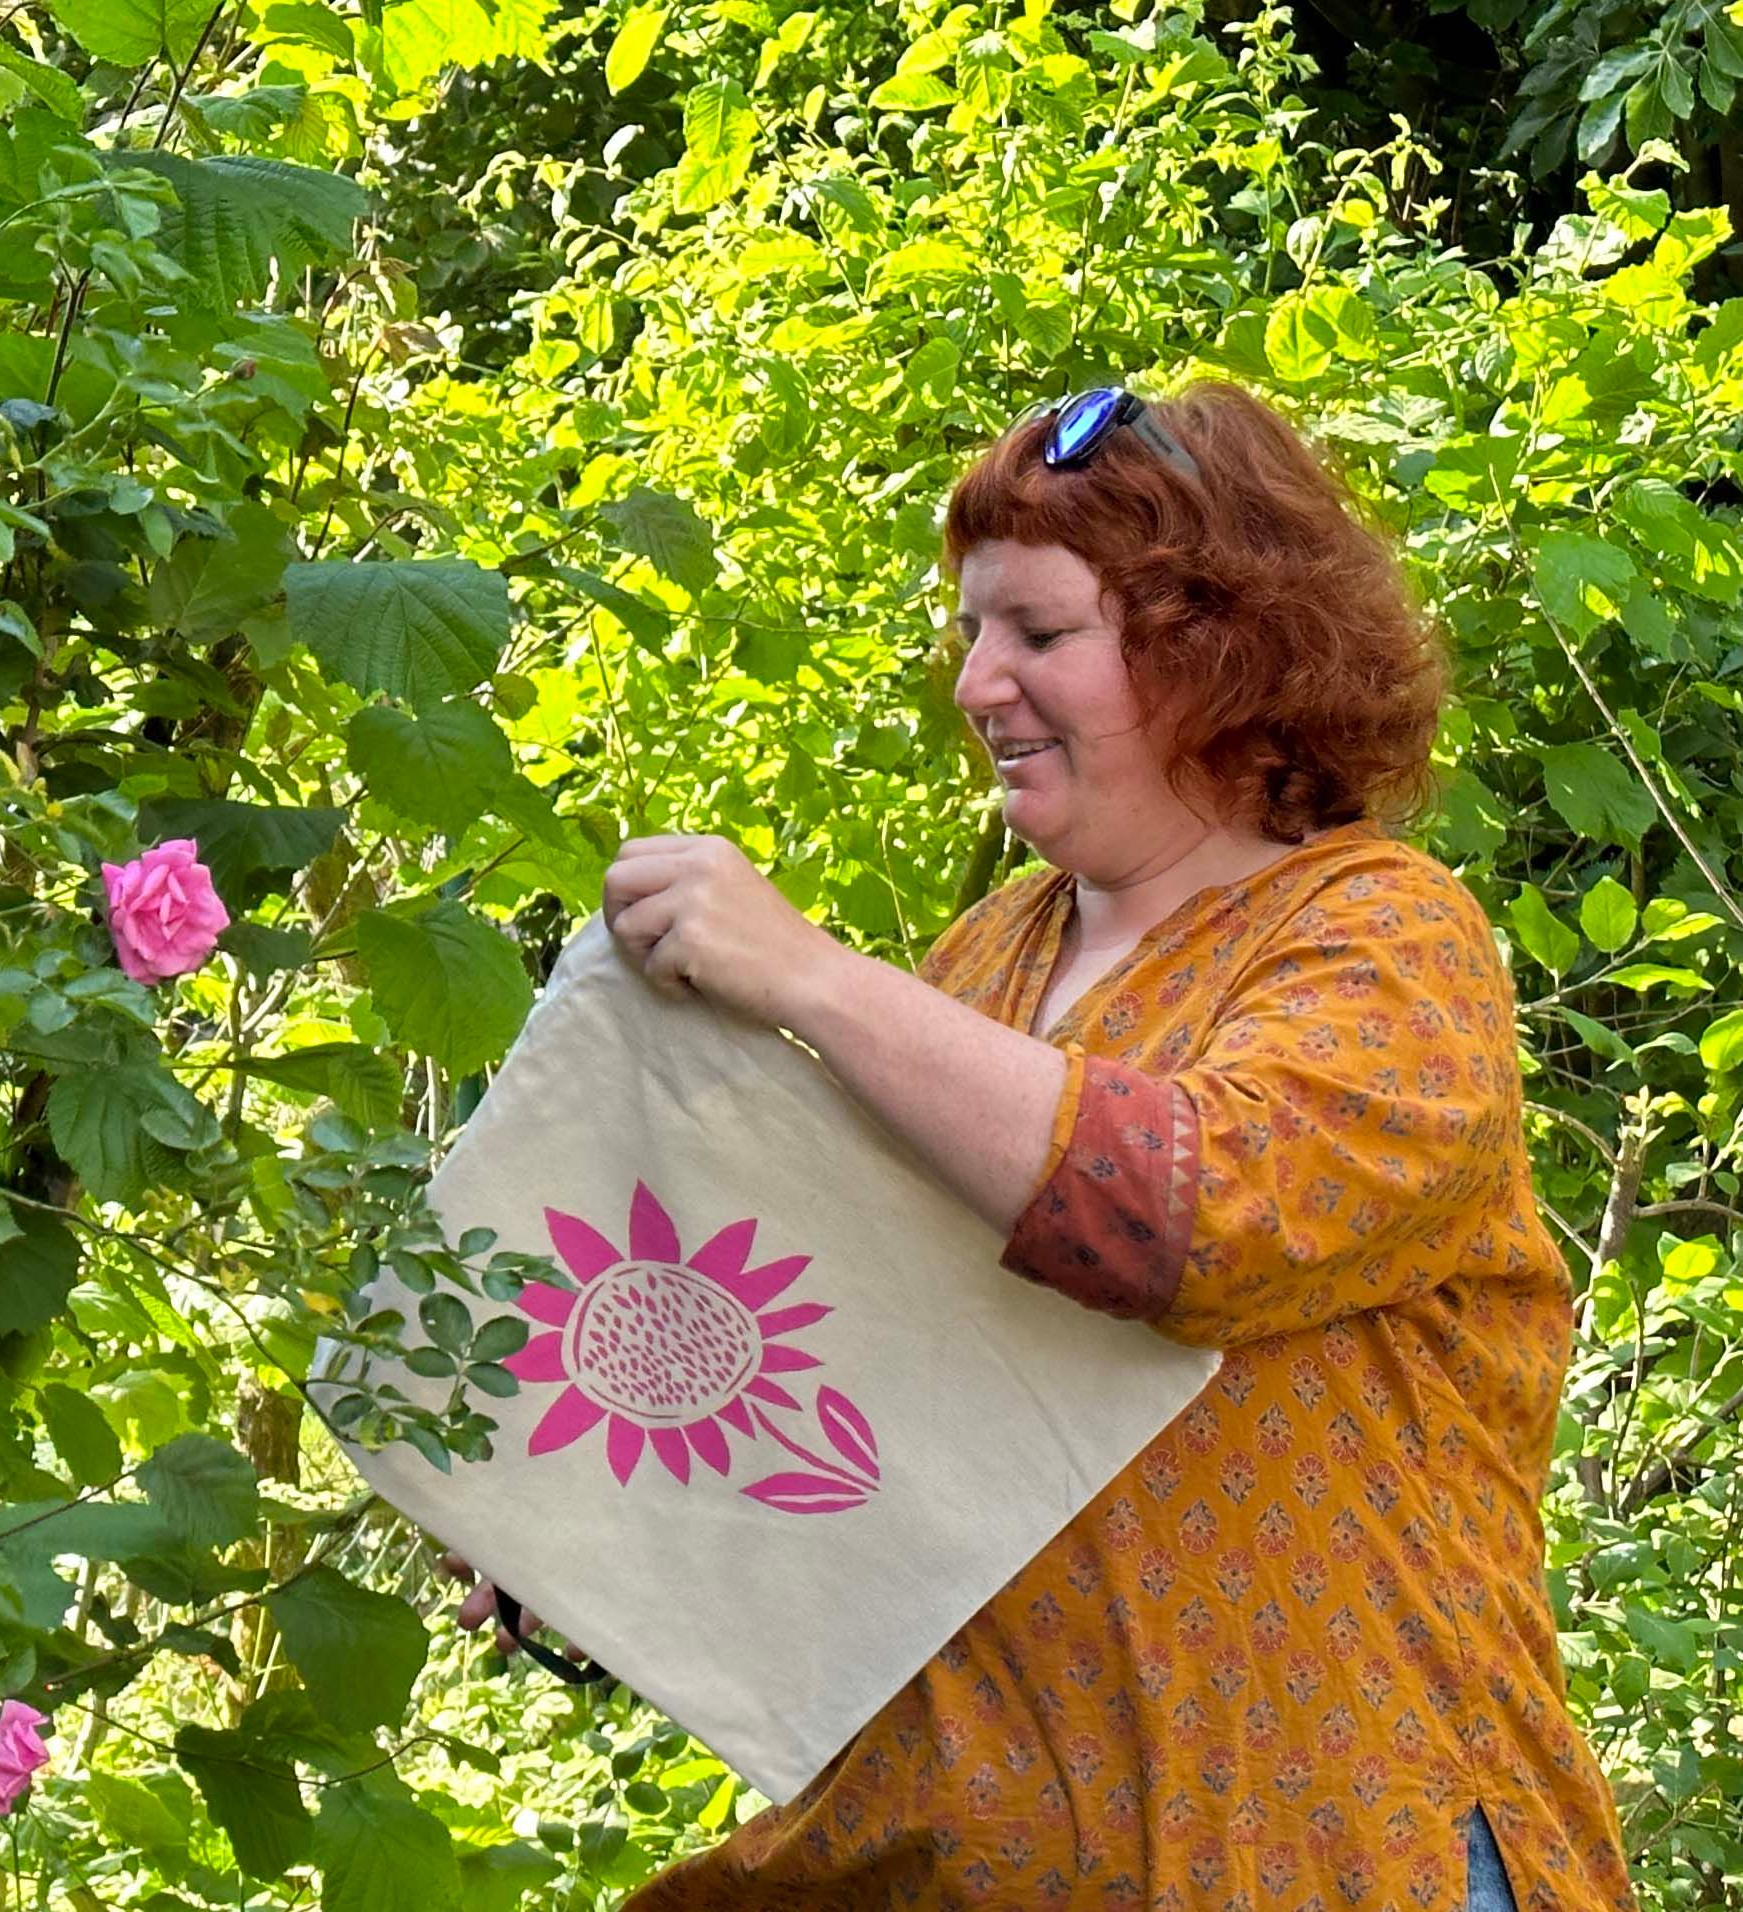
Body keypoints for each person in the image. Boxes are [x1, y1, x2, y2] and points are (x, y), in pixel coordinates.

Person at [450, 384, 1635, 1910]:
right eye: (969, 632)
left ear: (1218, 648)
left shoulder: (1380, 937)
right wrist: (594, 1533)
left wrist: (810, 977)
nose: (976, 683)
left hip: (1335, 1841)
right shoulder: (988, 959)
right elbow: (889, 1407)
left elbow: (1192, 1225)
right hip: (986, 1852)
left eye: (1038, 631)